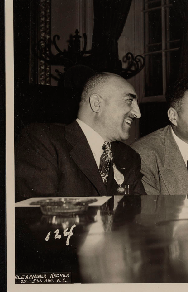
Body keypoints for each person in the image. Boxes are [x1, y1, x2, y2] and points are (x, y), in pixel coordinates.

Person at [15, 72, 145, 200]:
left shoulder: (129, 157)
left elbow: (138, 214)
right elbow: (38, 214)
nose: (138, 113)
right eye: (129, 101)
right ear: (96, 103)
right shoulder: (42, 141)